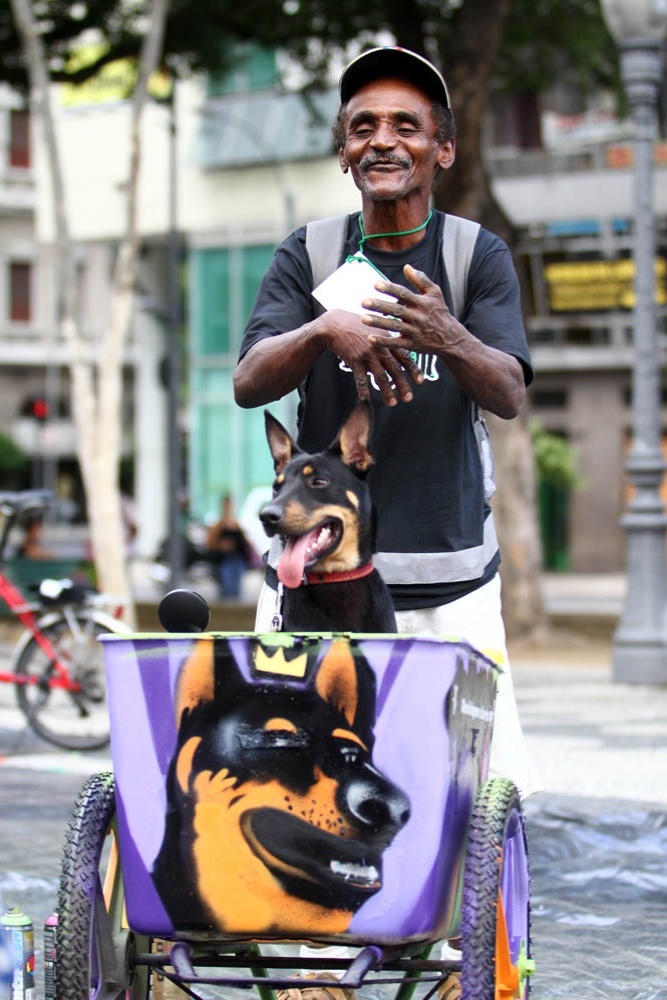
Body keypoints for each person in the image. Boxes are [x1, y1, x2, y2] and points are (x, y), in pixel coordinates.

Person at [234, 46, 539, 998]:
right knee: (298, 781)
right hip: (318, 589)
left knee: (477, 793)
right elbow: (248, 380)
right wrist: (323, 330)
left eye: (407, 125)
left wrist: (445, 333)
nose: (383, 141)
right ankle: (313, 976)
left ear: (442, 148)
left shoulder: (473, 255)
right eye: (363, 125)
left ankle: (463, 971)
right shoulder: (312, 254)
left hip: (449, 586)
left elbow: (509, 391)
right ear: (343, 151)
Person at [205, 494, 250, 599]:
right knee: (227, 586)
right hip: (223, 559)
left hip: (237, 558)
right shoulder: (218, 525)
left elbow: (243, 542)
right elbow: (210, 544)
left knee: (235, 587)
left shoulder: (235, 524)